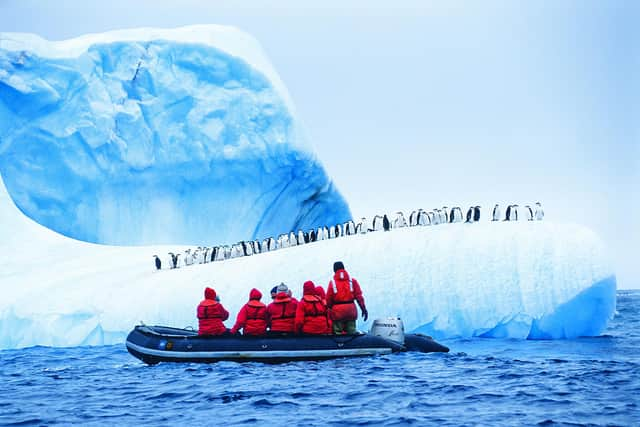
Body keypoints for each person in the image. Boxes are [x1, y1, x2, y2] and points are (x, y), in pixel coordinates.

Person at [326, 261, 368, 334]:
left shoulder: (332, 283)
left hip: (338, 313)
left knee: (337, 333)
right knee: (351, 333)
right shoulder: (352, 281)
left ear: (334, 270)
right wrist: (363, 309)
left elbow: (328, 300)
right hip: (351, 311)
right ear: (344, 268)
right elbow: (359, 297)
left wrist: (330, 310)